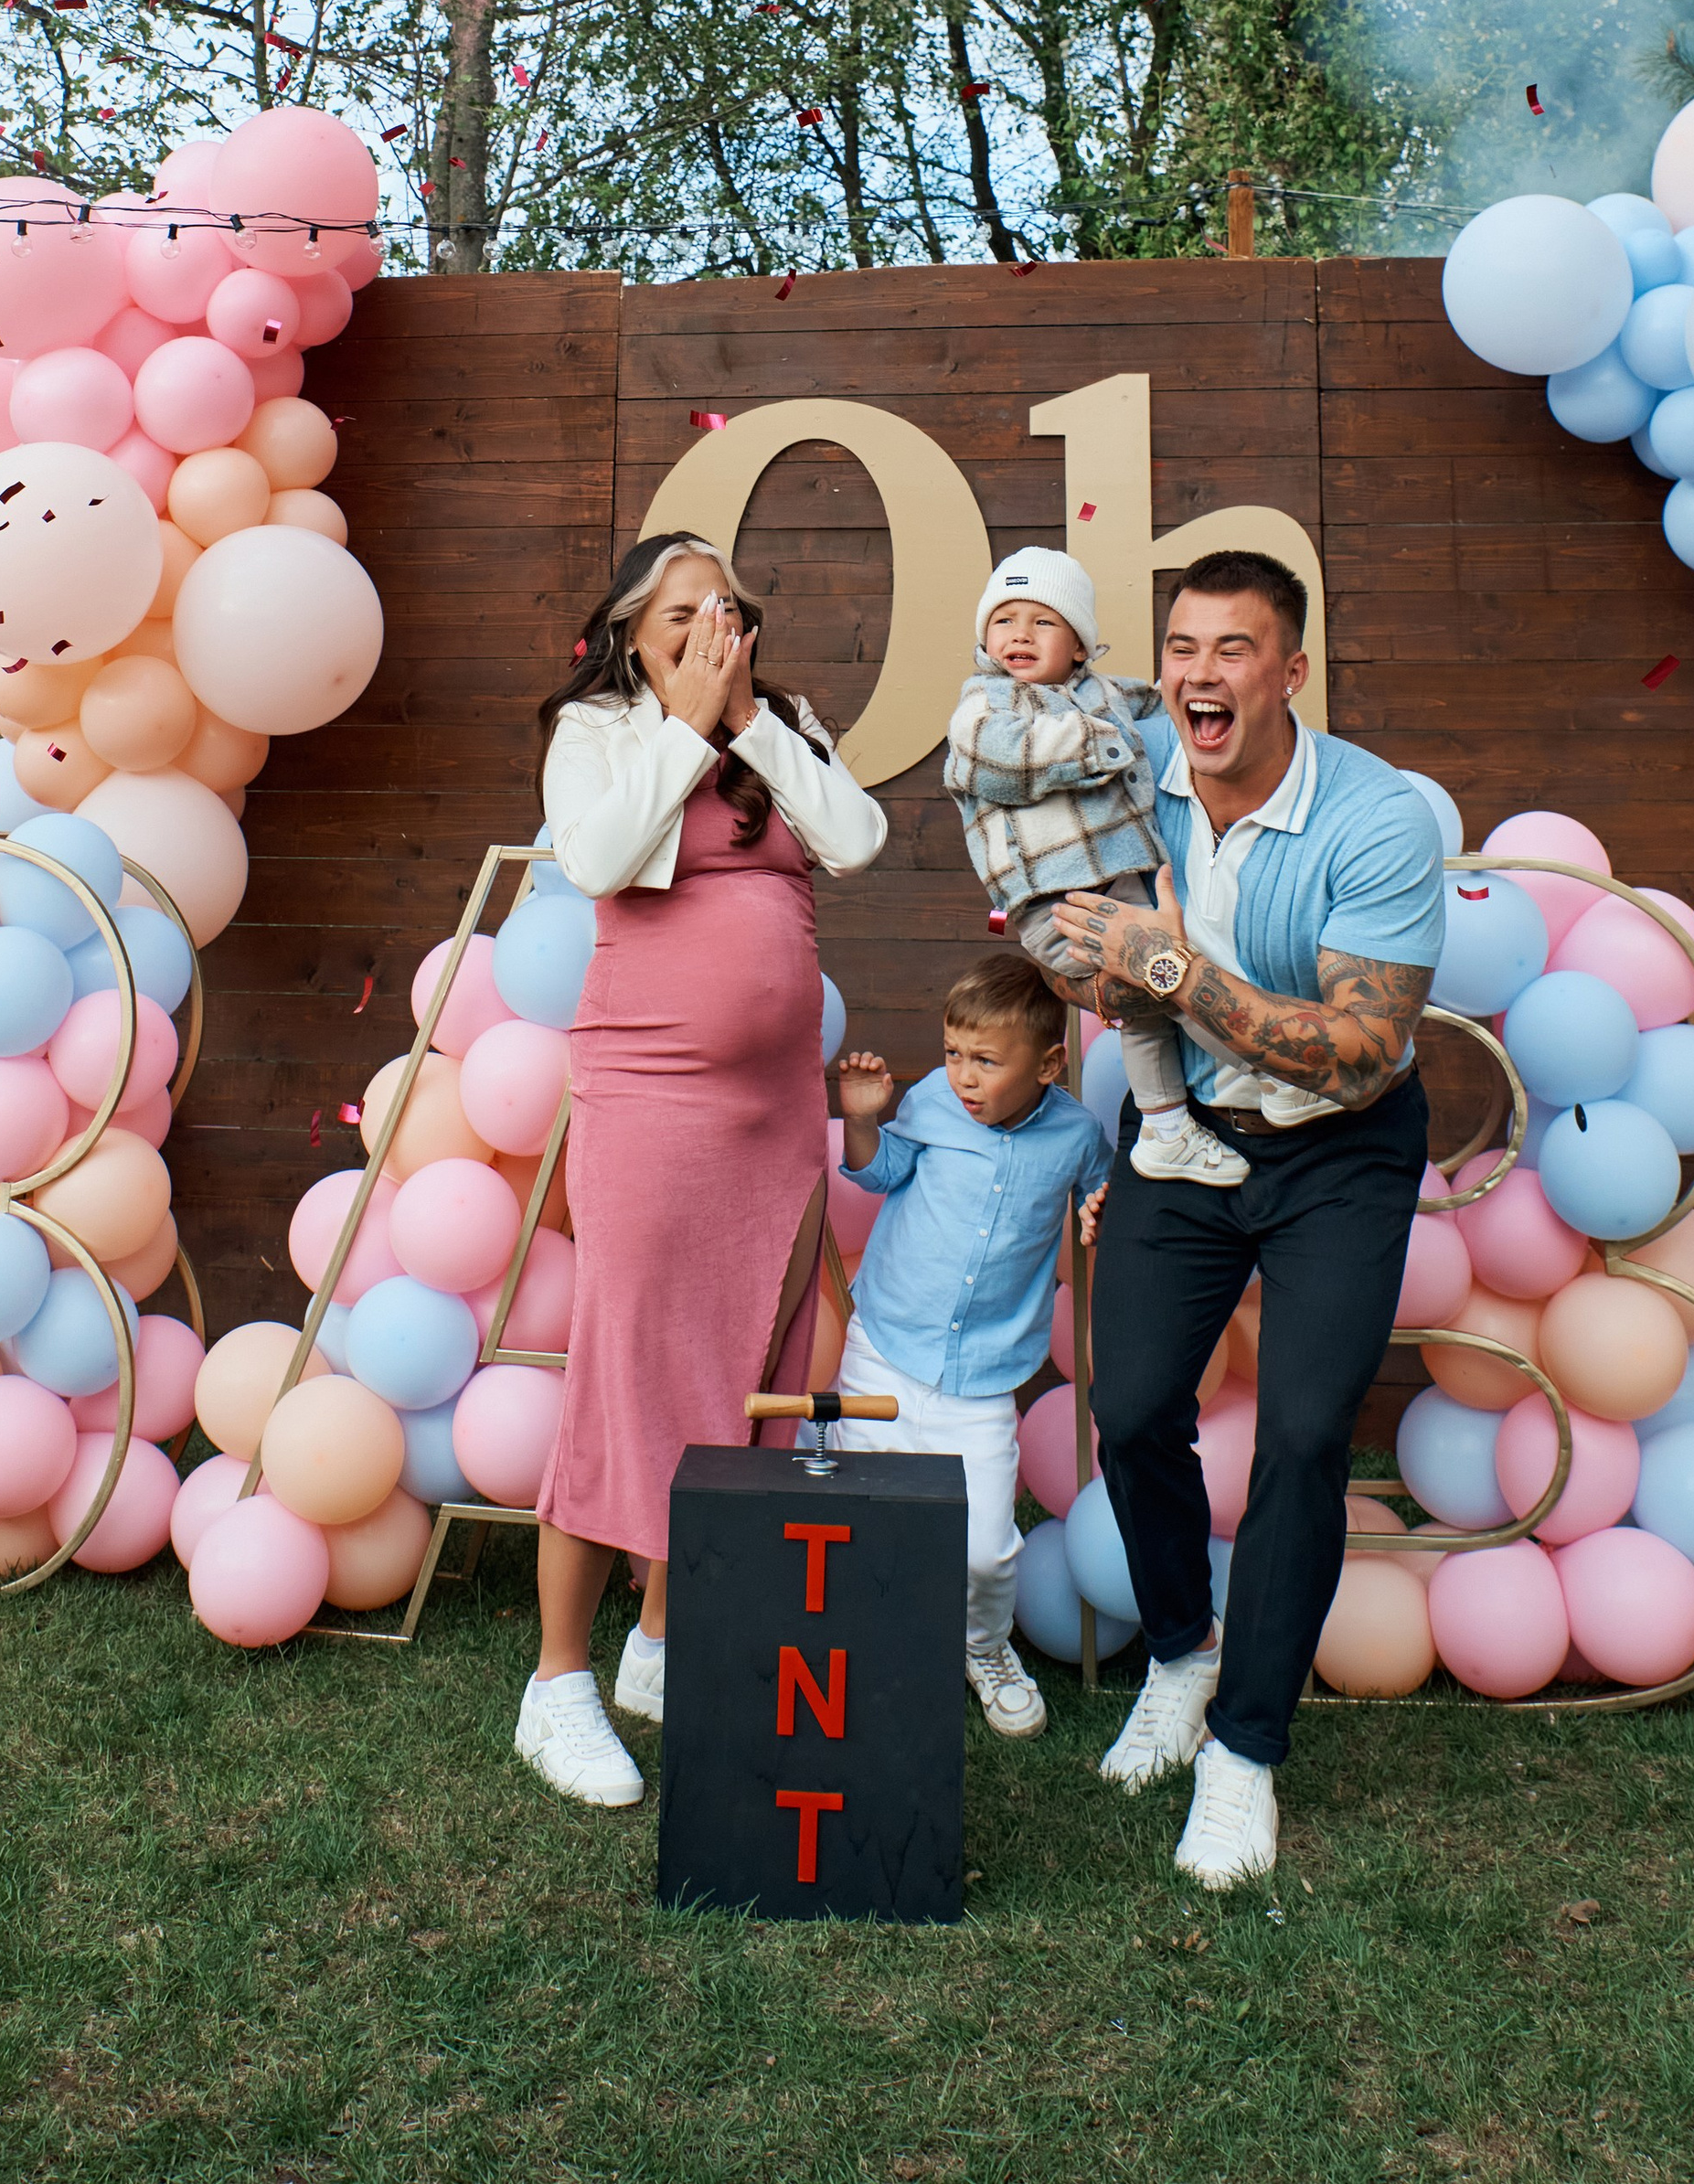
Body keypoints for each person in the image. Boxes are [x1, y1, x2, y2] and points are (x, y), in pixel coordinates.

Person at [1050, 548, 1444, 1893]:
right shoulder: (1129, 775)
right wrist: (1084, 954)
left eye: (1232, 649)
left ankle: (1245, 1752)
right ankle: (1180, 1653)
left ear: (1289, 670)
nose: (1199, 674)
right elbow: (1062, 923)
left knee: (1302, 1436)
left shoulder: (1377, 816)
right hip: (1185, 1133)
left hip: (1340, 1152)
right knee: (1137, 1403)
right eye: (1182, 646)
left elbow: (1358, 1048)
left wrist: (1169, 966)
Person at [517, 528, 888, 1807]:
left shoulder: (782, 726)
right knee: (630, 1362)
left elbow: (858, 837)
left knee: (751, 1358)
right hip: (651, 1097)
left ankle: (662, 1643)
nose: (701, 626)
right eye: (674, 611)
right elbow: (601, 858)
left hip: (774, 1110)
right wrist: (682, 722)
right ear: (630, 630)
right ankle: (556, 1681)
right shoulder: (601, 733)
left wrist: (749, 721)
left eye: (720, 606)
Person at [833, 948, 1113, 1739]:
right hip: (885, 1346)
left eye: (986, 1060)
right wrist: (861, 1119)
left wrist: (1106, 1207)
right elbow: (879, 1174)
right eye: (955, 1053)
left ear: (1051, 1064)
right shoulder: (929, 1101)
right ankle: (863, 1641)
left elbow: (1105, 1186)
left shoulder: (1076, 1135)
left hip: (985, 1377)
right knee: (865, 1512)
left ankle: (983, 1646)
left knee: (986, 1548)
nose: (963, 1075)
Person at [944, 542, 1247, 1189]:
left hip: (1121, 879)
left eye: (1043, 621)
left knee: (1168, 988)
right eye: (1004, 620)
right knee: (1157, 989)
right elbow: (1008, 760)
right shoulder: (985, 707)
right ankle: (1241, 1080)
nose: (1018, 634)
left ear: (1080, 645)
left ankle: (1176, 1122)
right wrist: (1105, 739)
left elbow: (1154, 699)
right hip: (1057, 903)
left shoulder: (1098, 691)